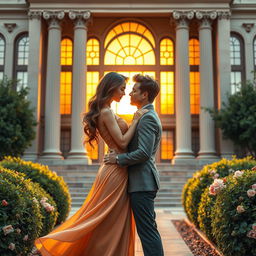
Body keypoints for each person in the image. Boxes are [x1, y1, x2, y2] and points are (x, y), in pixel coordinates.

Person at [34, 72, 148, 256]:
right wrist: (135, 121)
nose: (124, 93)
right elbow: (122, 142)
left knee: (111, 217)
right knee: (103, 216)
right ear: (111, 88)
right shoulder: (106, 112)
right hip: (115, 170)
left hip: (116, 167)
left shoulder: (107, 111)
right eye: (121, 89)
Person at [104, 74, 164, 256]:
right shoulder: (143, 115)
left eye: (134, 90)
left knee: (147, 231)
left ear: (144, 95)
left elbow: (144, 153)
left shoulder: (147, 118)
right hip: (138, 182)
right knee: (146, 229)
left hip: (143, 183)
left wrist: (118, 159)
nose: (130, 93)